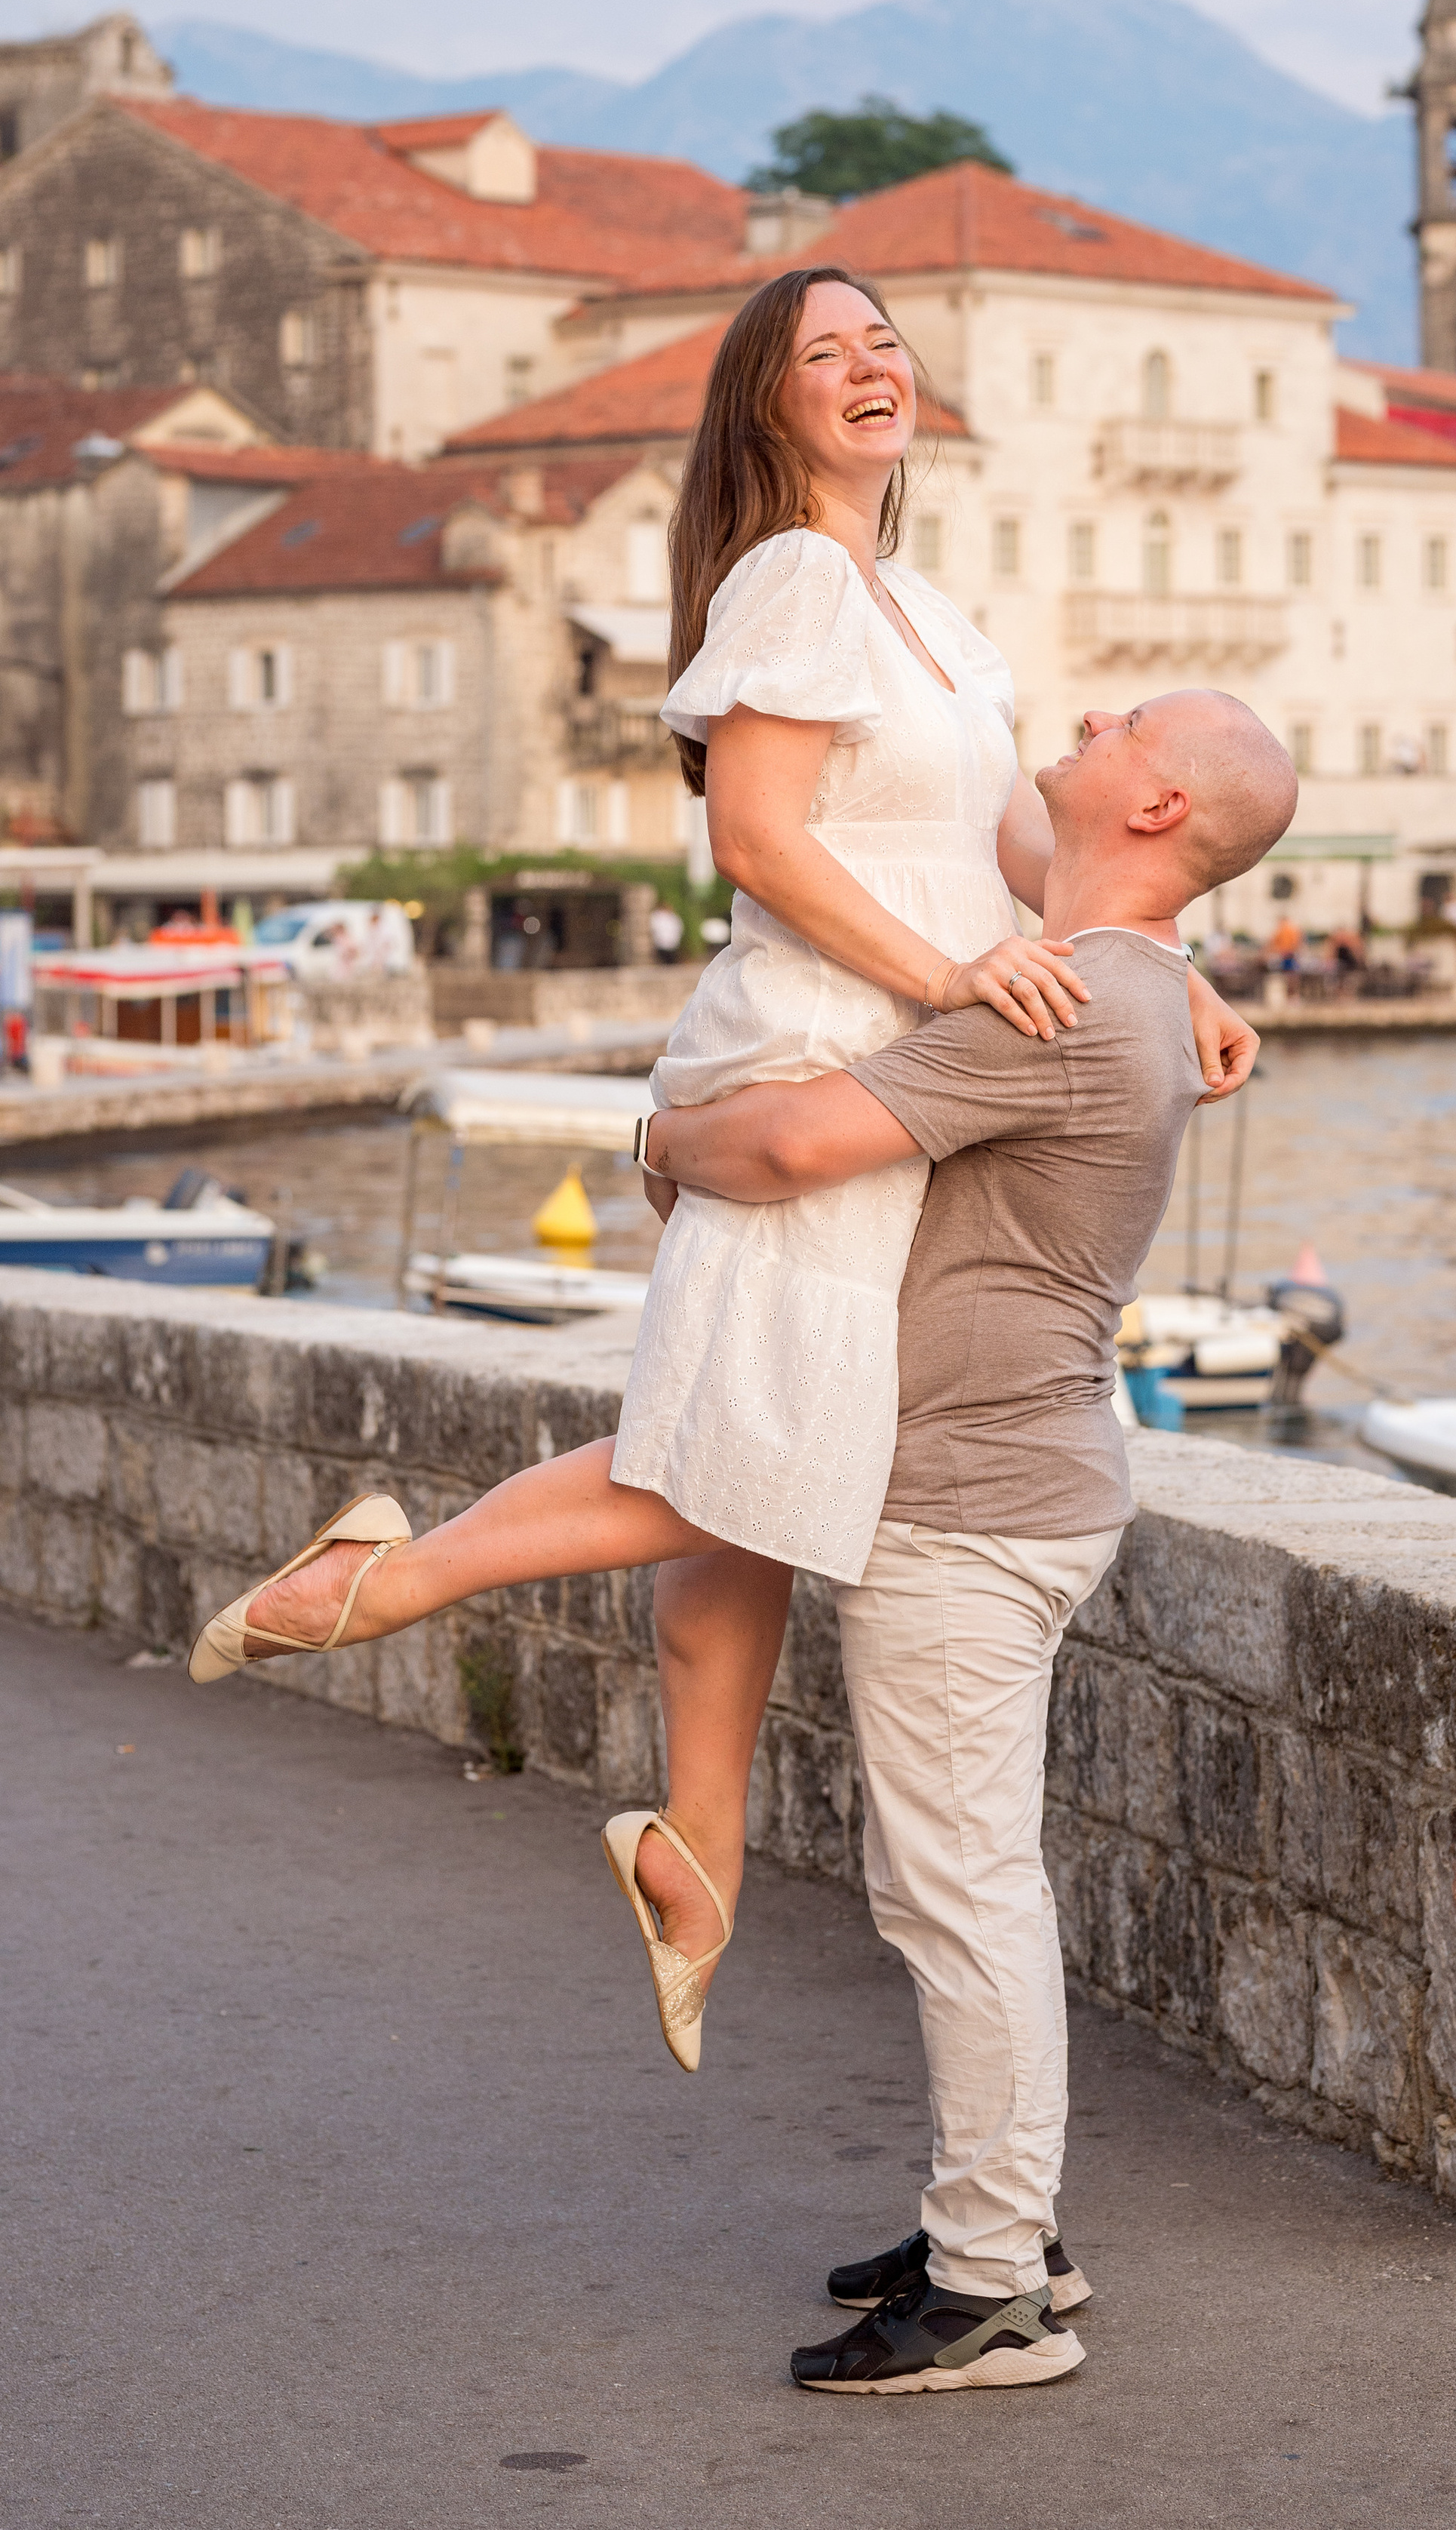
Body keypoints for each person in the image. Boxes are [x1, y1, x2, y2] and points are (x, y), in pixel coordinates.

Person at [189, 267, 1259, 2071]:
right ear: (765, 410)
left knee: (761, 1446)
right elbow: (756, 839)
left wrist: (1179, 966)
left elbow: (1021, 840)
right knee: (757, 1447)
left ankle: (694, 1837)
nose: (867, 366)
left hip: (906, 1050)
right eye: (821, 352)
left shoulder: (924, 612)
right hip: (821, 1050)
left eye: (884, 342)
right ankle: (392, 1579)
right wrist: (946, 984)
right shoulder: (789, 578)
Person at [194, 684, 1298, 2394]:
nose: (1085, 716)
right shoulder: (1105, 981)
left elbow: (787, 1140)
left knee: (956, 1894)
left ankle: (997, 2283)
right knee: (948, 1874)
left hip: (973, 1504)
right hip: (997, 1482)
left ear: (1156, 811)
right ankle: (987, 2226)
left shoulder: (1068, 1001)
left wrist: (655, 1134)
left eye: (1126, 720)